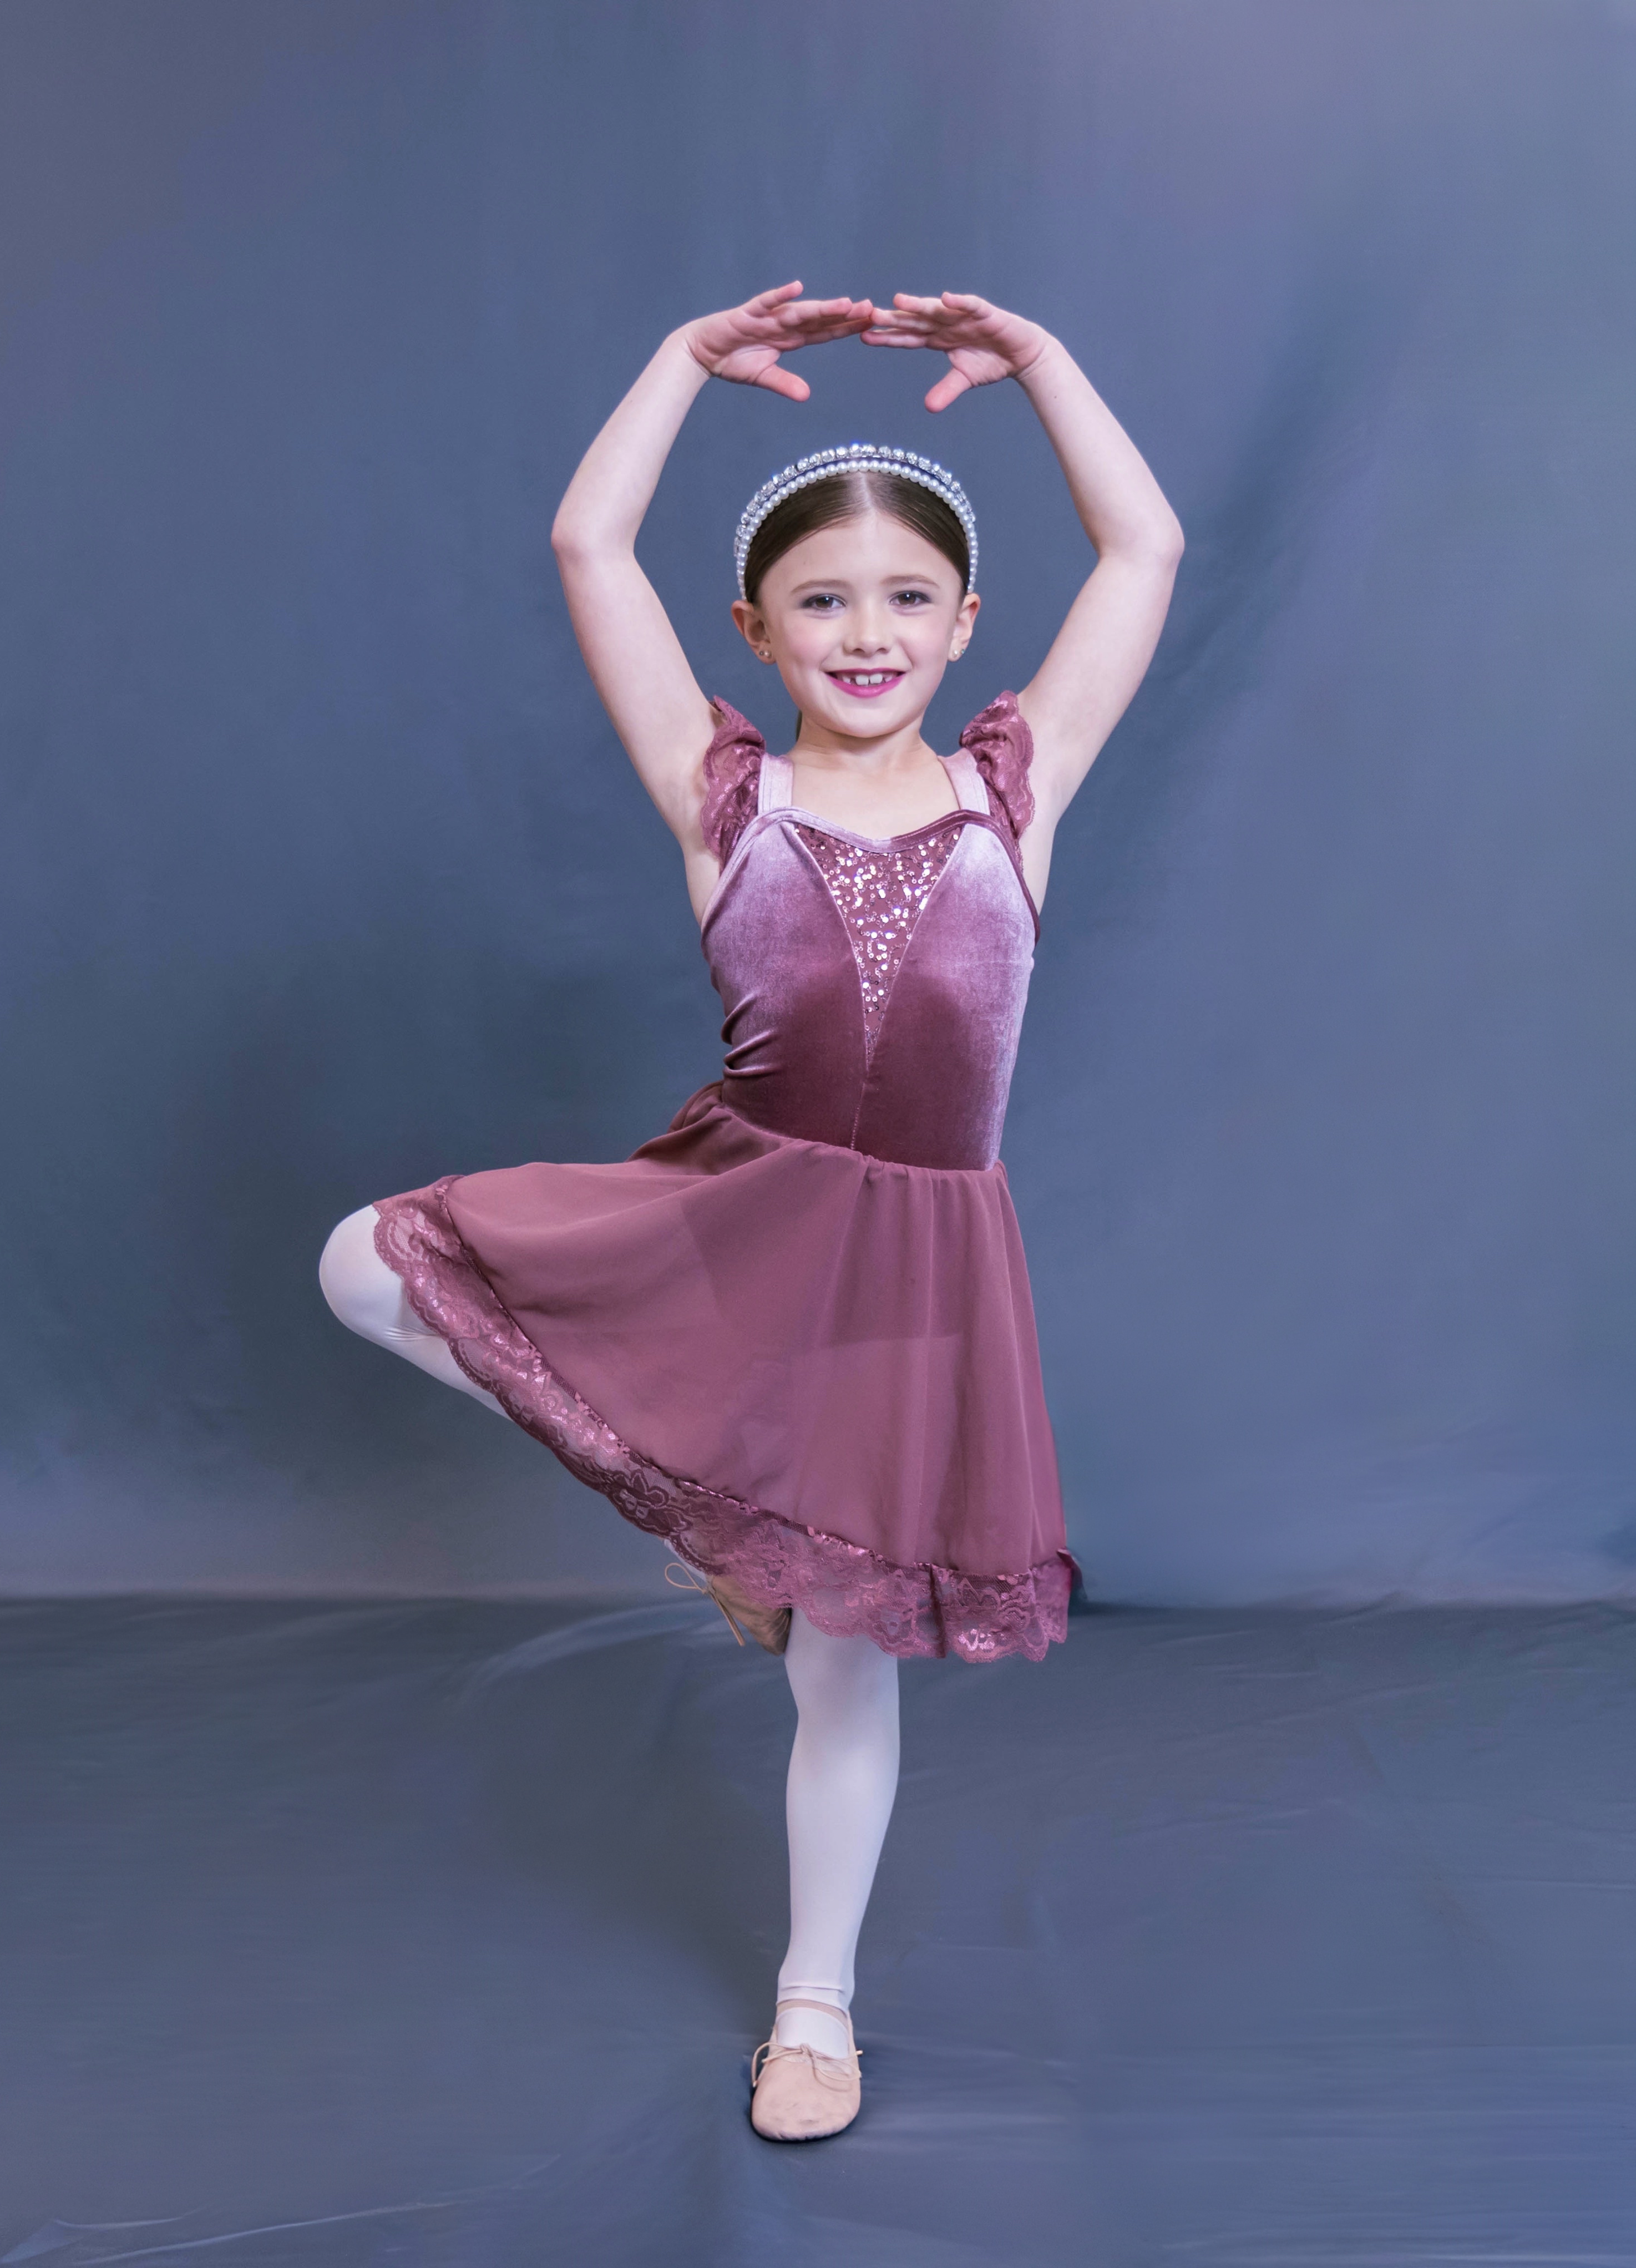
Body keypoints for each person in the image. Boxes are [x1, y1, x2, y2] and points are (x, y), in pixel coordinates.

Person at [318, 284, 1182, 2141]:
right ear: (754, 629)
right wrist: (672, 368)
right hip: (733, 1225)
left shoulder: (1010, 796)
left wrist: (1038, 367)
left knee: (849, 1660)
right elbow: (583, 539)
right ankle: (704, 1520)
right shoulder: (722, 796)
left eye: (900, 601)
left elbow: (1146, 542)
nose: (861, 634)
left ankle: (816, 2008)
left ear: (965, 625)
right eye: (819, 601)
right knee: (357, 1267)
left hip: (913, 1283)